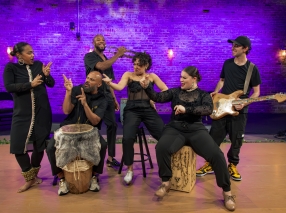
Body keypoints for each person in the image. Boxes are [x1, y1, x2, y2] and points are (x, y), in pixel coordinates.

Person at [139, 66, 236, 211]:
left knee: (216, 155)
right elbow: (157, 97)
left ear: (194, 79)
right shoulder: (175, 91)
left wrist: (186, 109)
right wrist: (147, 87)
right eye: (180, 77)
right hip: (175, 128)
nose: (181, 80)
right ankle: (166, 182)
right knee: (161, 147)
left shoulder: (203, 94)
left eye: (184, 77)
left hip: (196, 129)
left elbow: (208, 110)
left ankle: (227, 192)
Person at [196, 36, 261, 181]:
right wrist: (217, 92)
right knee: (213, 137)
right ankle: (211, 163)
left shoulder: (252, 69)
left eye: (237, 46)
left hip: (239, 110)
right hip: (221, 107)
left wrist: (245, 103)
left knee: (236, 139)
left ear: (245, 49)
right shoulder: (227, 63)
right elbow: (222, 81)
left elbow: (257, 92)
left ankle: (232, 165)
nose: (233, 48)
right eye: (233, 45)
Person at [102, 52, 168, 185]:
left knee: (164, 135)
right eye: (135, 64)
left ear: (146, 65)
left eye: (139, 64)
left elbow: (165, 90)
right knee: (127, 138)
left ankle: (166, 168)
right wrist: (110, 83)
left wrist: (153, 99)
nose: (136, 67)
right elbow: (120, 87)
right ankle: (130, 169)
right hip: (132, 110)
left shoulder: (152, 76)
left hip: (148, 109)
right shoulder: (128, 75)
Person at [3, 42, 54, 193]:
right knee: (18, 146)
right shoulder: (11, 68)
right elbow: (9, 87)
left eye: (33, 52)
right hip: (22, 113)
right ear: (19, 55)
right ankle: (29, 177)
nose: (33, 55)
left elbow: (51, 84)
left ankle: (33, 178)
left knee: (40, 146)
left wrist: (47, 75)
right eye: (29, 53)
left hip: (42, 112)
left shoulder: (38, 65)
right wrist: (30, 84)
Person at [46, 71, 108, 195]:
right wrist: (68, 92)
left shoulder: (103, 99)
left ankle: (94, 176)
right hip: (68, 128)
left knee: (103, 145)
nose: (87, 81)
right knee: (50, 147)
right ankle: (61, 178)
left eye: (91, 80)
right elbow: (66, 110)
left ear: (99, 84)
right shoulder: (77, 90)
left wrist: (85, 104)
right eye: (87, 78)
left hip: (89, 131)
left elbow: (95, 121)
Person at [84, 34, 127, 167]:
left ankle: (110, 158)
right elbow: (101, 67)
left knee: (112, 126)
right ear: (93, 43)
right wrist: (118, 55)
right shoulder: (90, 56)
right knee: (93, 127)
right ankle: (90, 157)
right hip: (94, 96)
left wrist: (114, 98)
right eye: (98, 40)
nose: (101, 41)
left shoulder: (107, 59)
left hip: (107, 96)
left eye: (103, 40)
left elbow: (109, 81)